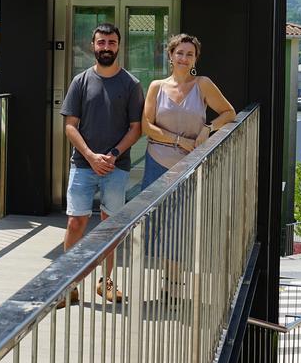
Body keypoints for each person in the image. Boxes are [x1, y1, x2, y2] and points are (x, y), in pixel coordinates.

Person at [140, 33, 236, 297]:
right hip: (158, 163)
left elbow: (229, 113)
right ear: (170, 55)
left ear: (195, 59)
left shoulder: (202, 84)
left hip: (190, 165)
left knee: (179, 226)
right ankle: (169, 281)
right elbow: (146, 126)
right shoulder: (156, 86)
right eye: (179, 53)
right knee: (158, 223)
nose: (184, 58)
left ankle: (173, 287)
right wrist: (178, 139)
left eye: (189, 54)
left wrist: (207, 128)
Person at [59, 22, 144, 307]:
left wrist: (112, 154)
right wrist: (91, 156)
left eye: (111, 42)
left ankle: (105, 282)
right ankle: (68, 284)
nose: (106, 47)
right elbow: (70, 126)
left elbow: (136, 128)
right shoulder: (80, 81)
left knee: (111, 226)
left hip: (115, 168)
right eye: (101, 42)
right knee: (75, 223)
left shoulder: (131, 84)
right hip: (83, 165)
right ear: (93, 46)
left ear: (119, 46)